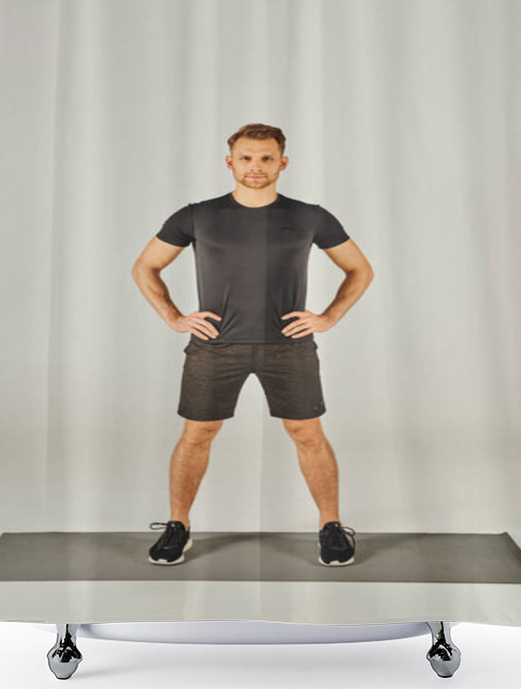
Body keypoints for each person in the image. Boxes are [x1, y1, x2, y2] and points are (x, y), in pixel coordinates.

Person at [131, 123, 374, 568]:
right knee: (197, 434)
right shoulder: (196, 216)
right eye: (246, 158)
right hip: (214, 346)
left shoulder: (310, 216)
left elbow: (360, 269)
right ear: (230, 163)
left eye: (266, 158)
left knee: (307, 434)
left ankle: (331, 526)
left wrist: (329, 316)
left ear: (282, 162)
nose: (256, 166)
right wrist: (173, 317)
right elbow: (146, 266)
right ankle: (178, 525)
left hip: (289, 346)